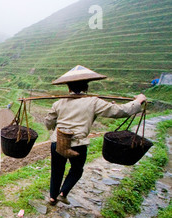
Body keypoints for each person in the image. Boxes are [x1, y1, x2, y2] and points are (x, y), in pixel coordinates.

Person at [45, 65, 147, 206]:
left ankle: (52, 197)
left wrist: (51, 129)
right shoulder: (94, 102)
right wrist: (138, 101)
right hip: (77, 143)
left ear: (68, 88)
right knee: (77, 169)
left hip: (58, 141)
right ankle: (63, 193)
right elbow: (119, 111)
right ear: (86, 87)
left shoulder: (59, 102)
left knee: (57, 170)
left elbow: (49, 121)